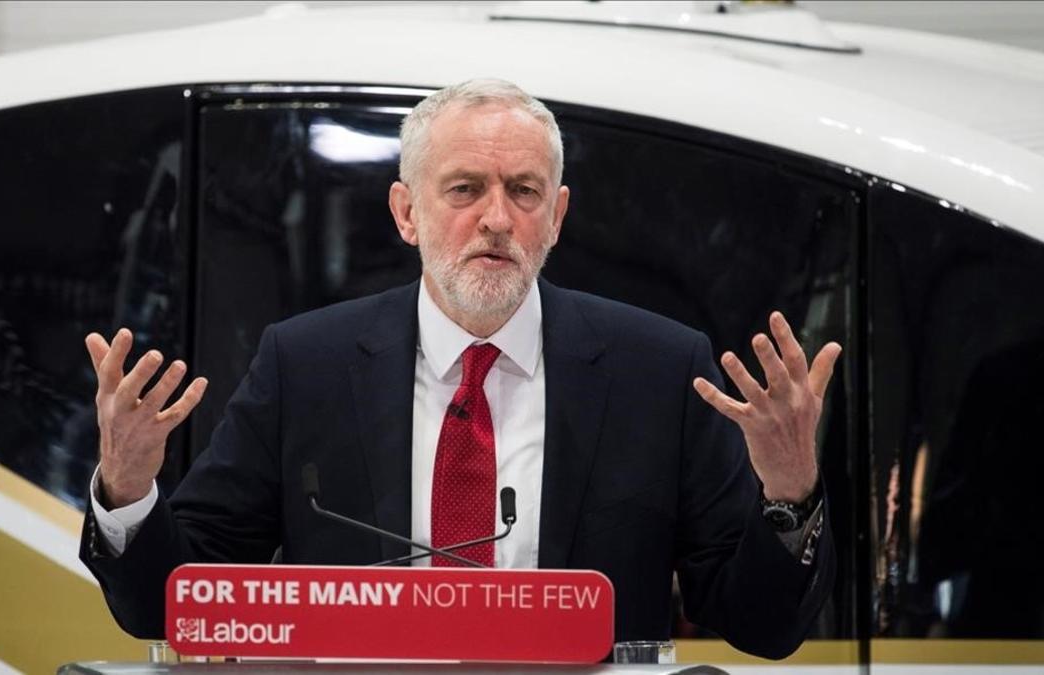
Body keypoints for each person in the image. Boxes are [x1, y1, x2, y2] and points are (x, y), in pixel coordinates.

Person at [79, 79, 840, 659]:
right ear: (407, 213)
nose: (499, 218)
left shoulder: (660, 369)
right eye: (466, 189)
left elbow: (764, 627)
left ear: (558, 216)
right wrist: (128, 490)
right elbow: (173, 607)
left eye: (524, 191)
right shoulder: (304, 364)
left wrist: (789, 492)